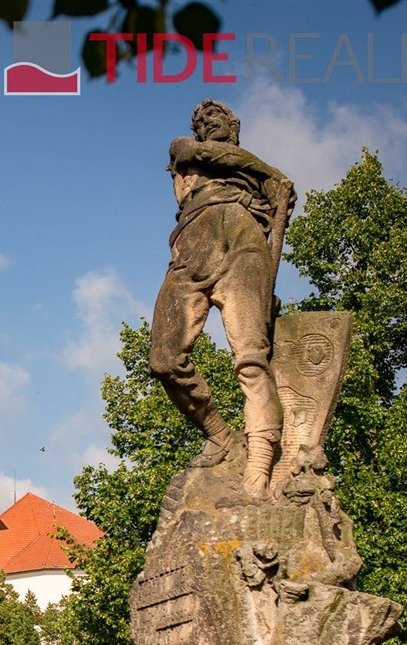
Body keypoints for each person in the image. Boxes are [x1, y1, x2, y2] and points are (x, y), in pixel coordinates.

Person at [148, 99, 294, 499]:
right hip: (194, 240)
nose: (206, 123)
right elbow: (206, 155)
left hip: (245, 239)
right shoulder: (186, 148)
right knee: (163, 360)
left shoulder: (252, 174)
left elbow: (281, 202)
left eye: (216, 117)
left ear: (234, 125)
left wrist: (278, 191)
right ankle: (221, 436)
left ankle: (259, 467)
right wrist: (270, 174)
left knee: (251, 359)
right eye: (200, 120)